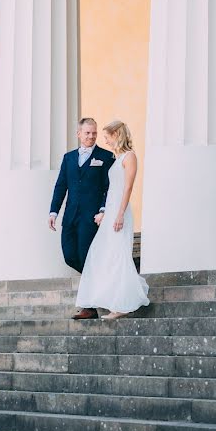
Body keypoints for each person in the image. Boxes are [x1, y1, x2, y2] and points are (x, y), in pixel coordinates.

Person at [75, 120, 149, 320]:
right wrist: (105, 213)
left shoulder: (130, 157)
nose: (105, 141)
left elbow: (127, 188)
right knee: (102, 254)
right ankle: (113, 301)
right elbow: (112, 190)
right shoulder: (117, 158)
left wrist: (119, 213)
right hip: (111, 214)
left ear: (117, 134)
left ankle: (121, 305)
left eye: (107, 136)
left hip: (120, 214)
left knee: (118, 255)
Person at [49, 118, 115, 319]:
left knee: (87, 257)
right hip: (70, 216)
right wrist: (53, 212)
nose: (91, 136)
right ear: (79, 134)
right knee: (70, 256)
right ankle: (104, 283)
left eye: (94, 133)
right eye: (87, 133)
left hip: (91, 217)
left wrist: (103, 209)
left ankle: (90, 306)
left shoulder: (105, 156)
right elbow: (61, 186)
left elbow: (108, 187)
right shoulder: (68, 158)